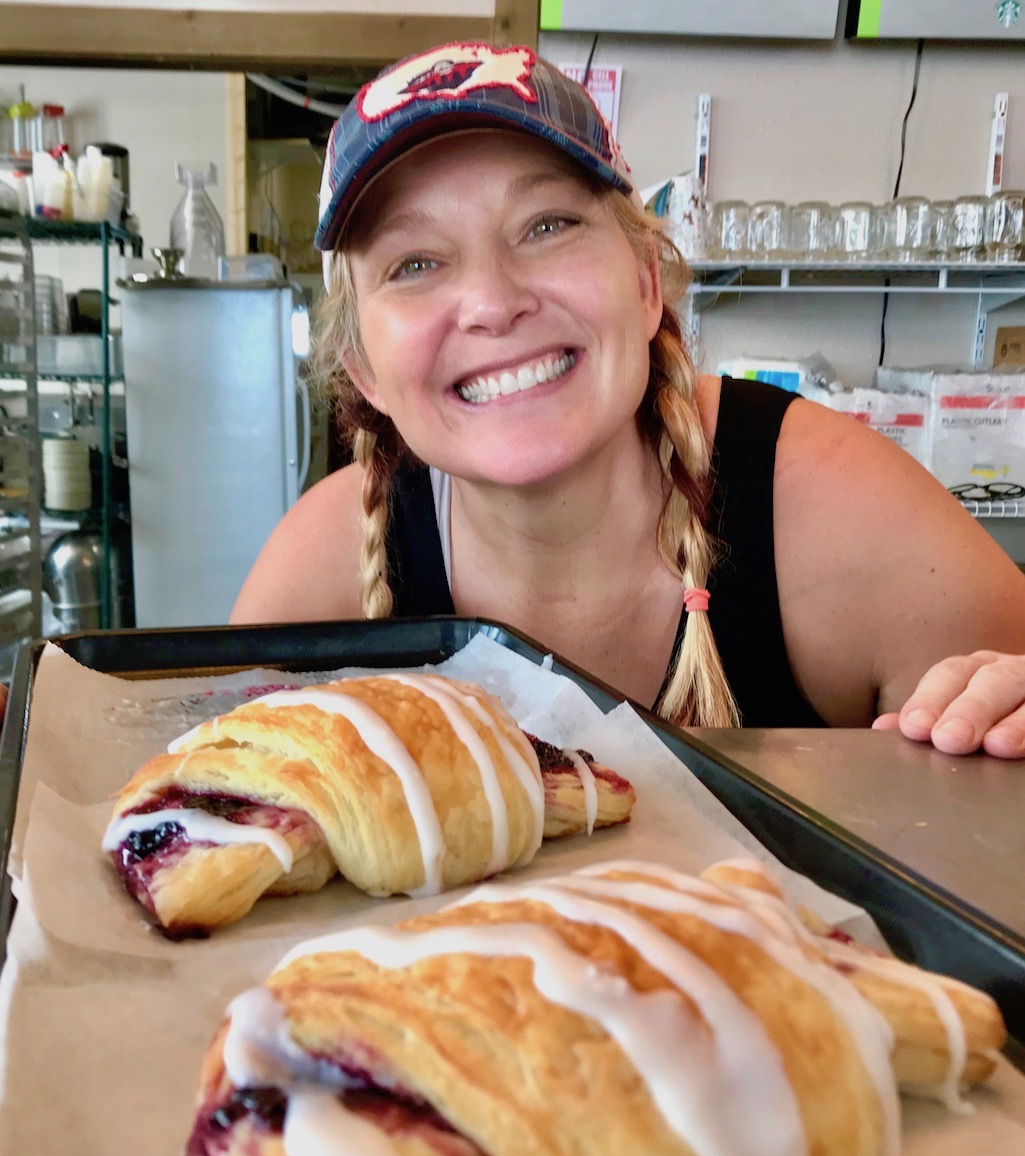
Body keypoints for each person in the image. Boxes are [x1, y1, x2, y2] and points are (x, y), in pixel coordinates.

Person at [232, 40, 1025, 759]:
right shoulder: (319, 571)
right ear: (363, 369)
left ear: (647, 284)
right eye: (412, 263)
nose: (491, 300)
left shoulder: (837, 513)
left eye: (546, 224)